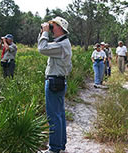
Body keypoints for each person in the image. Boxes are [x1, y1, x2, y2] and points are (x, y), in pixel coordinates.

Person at [38, 16, 72, 153]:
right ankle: (60, 146)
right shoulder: (62, 43)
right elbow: (42, 45)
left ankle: (55, 148)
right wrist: (42, 32)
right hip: (57, 81)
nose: (51, 27)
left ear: (60, 28)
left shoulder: (61, 45)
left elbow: (42, 49)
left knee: (54, 116)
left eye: (53, 25)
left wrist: (45, 32)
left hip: (54, 82)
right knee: (59, 115)